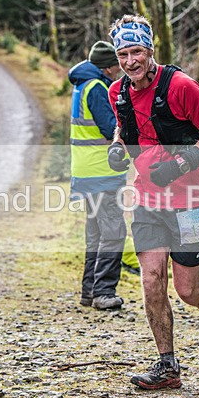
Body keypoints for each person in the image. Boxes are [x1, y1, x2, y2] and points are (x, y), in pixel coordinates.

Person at [106, 14, 199, 389]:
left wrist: (181, 163)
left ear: (150, 50)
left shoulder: (182, 86)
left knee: (187, 290)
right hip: (147, 199)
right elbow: (125, 129)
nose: (130, 61)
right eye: (123, 54)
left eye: (136, 51)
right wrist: (118, 149)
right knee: (152, 281)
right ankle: (167, 366)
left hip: (190, 199)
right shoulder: (116, 92)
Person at [69, 40, 126, 310]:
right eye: (116, 64)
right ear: (107, 67)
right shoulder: (98, 89)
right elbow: (110, 128)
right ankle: (104, 292)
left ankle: (89, 291)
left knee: (95, 233)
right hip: (101, 171)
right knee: (113, 231)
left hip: (85, 171)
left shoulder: (82, 86)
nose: (119, 69)